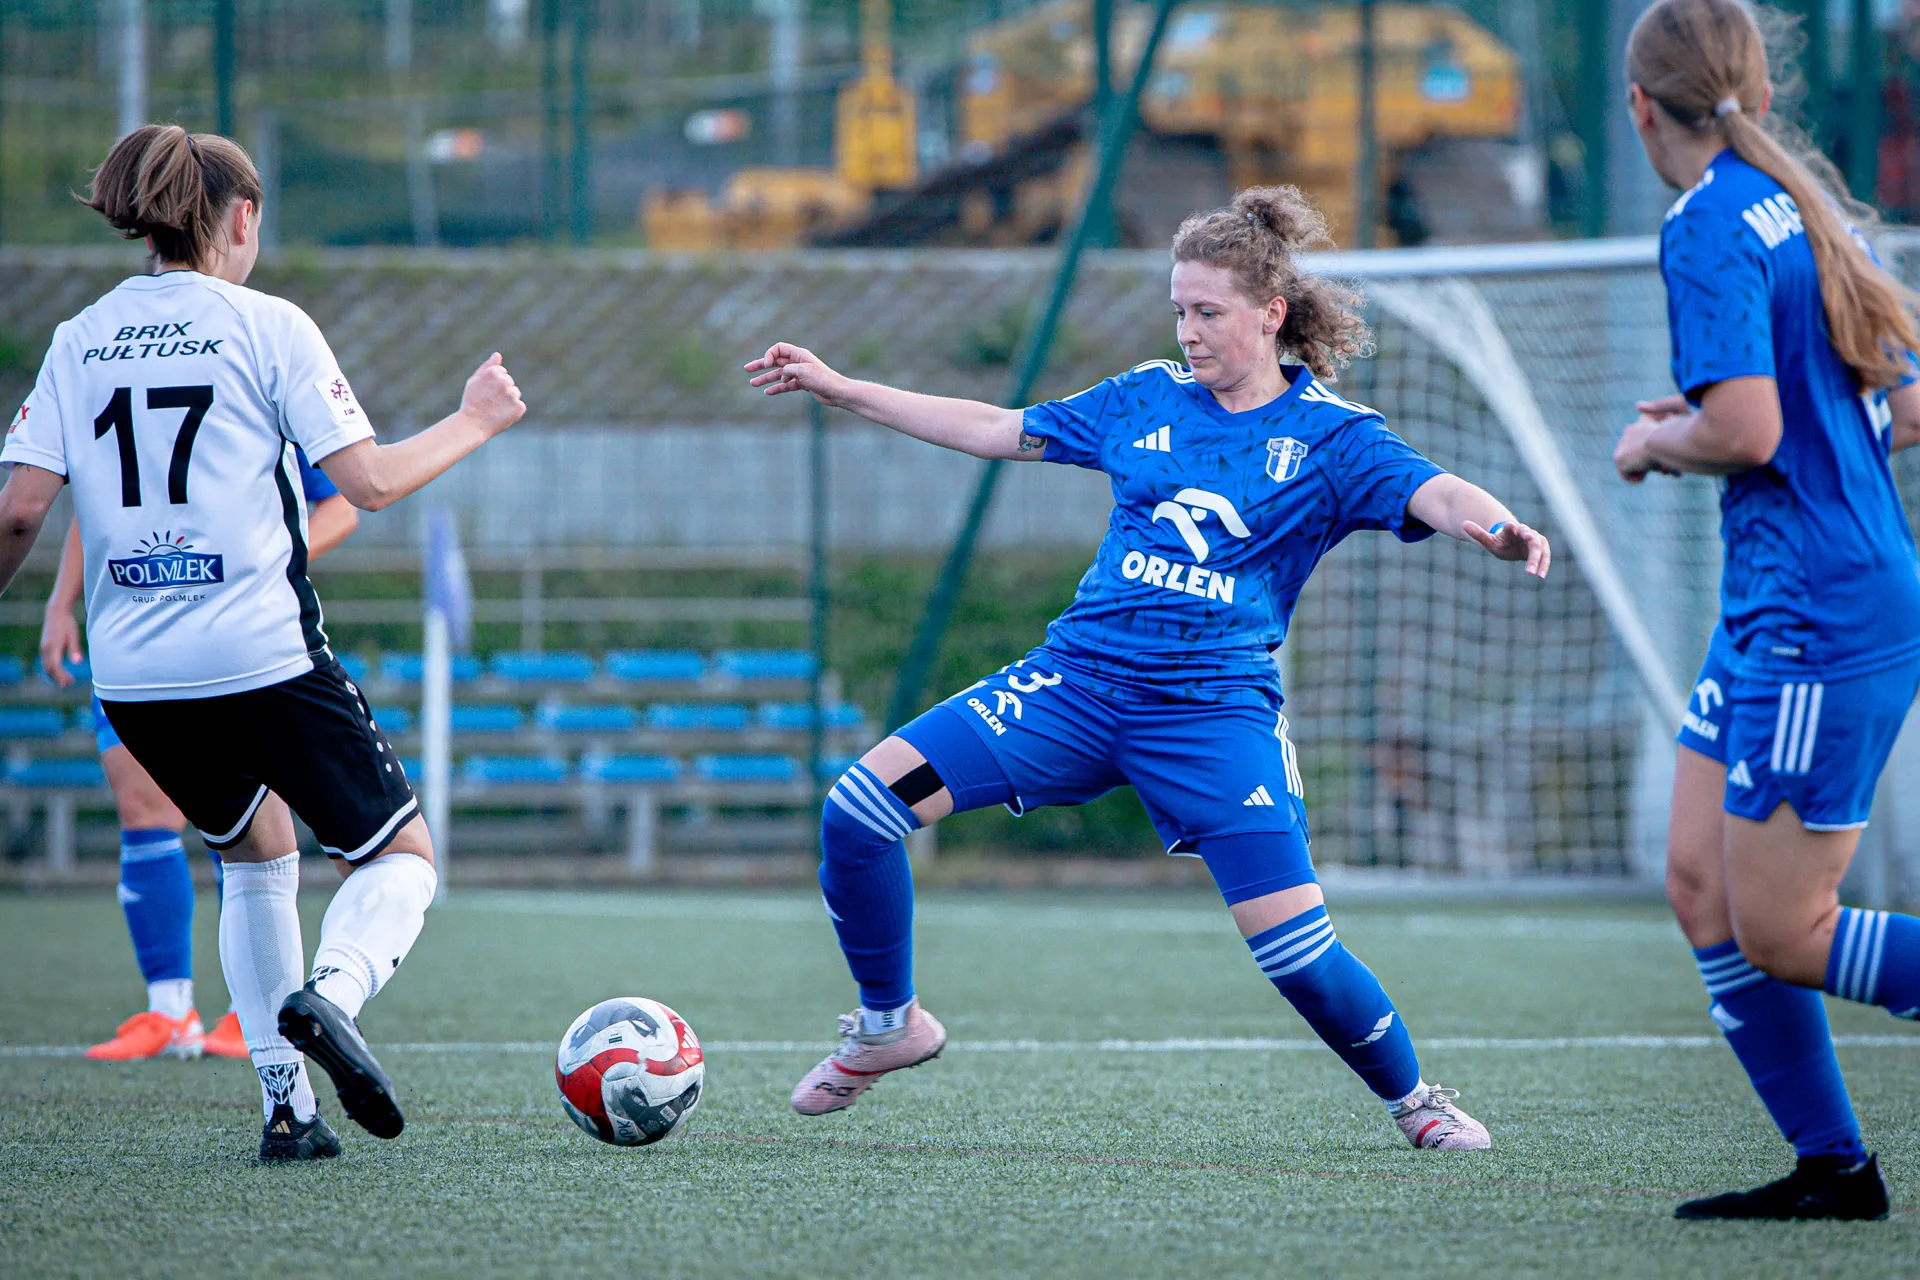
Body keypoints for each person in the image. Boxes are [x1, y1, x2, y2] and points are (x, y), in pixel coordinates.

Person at [745, 186, 1551, 1150]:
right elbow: (995, 427)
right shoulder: (1144, 398)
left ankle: (1416, 1103)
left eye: (1208, 311)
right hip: (1075, 688)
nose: (1188, 331)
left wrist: (1495, 525)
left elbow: (1435, 490)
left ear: (1271, 314)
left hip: (1212, 718)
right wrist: (844, 388)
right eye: (1179, 310)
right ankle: (890, 1025)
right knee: (860, 810)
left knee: (1297, 953)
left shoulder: (1335, 438)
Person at [0, 124, 525, 1160]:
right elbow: (367, 483)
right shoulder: (268, 325)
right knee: (403, 857)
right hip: (261, 656)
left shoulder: (77, 338)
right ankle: (333, 994)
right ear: (240, 218)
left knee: (253, 853)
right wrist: (476, 419)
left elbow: (20, 512)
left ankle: (289, 1109)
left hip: (136, 679)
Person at [1614, 0, 1920, 1221]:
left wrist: (1657, 443)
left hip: (1814, 613)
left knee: (1787, 930)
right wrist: (1728, 424)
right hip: (1777, 603)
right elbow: (1903, 402)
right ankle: (1833, 1167)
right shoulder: (1798, 200)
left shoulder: (1706, 222)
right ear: (1764, 92)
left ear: (1641, 107)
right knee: (1701, 881)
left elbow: (1747, 430)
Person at [39, 446, 359, 1064]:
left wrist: (262, 569)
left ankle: (252, 1012)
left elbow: (341, 506)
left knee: (249, 821)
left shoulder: (262, 396)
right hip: (136, 629)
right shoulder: (105, 392)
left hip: (243, 638)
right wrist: (60, 601)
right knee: (143, 810)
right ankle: (167, 1011)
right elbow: (96, 506)